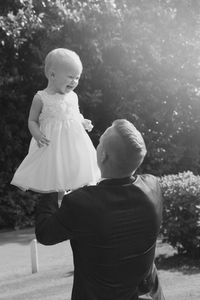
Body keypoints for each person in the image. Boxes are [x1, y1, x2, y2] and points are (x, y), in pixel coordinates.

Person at [35, 119, 165, 300]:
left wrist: (53, 181)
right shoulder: (153, 187)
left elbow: (45, 233)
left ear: (102, 155)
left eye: (100, 142)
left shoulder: (81, 203)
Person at [11, 48, 100, 201]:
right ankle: (58, 205)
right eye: (70, 77)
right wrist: (37, 134)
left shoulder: (73, 96)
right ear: (52, 75)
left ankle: (71, 204)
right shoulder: (41, 98)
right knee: (57, 175)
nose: (74, 82)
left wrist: (83, 121)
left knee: (75, 173)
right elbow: (32, 120)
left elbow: (73, 114)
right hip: (52, 145)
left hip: (73, 143)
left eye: (77, 78)